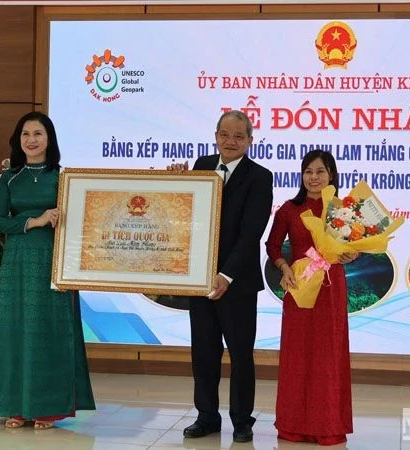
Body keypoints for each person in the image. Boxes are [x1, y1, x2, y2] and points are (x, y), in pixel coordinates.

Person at [0, 111, 95, 430]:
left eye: (38, 134)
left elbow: (82, 220)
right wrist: (35, 221)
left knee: (51, 329)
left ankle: (48, 407)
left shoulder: (64, 177)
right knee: (17, 328)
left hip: (56, 260)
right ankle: (15, 406)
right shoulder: (10, 178)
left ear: (50, 139)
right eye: (25, 135)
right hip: (19, 261)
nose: (31, 140)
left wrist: (60, 220)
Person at [174, 110, 273, 443]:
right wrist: (174, 183)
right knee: (203, 352)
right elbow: (186, 216)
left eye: (239, 136)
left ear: (250, 141)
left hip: (238, 283)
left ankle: (242, 420)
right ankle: (206, 416)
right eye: (225, 135)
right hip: (199, 279)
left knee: (241, 354)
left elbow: (251, 233)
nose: (230, 142)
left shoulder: (260, 177)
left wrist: (226, 274)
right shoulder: (201, 166)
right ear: (215, 135)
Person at [265, 149, 356, 445]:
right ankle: (293, 425)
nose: (314, 177)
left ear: (331, 175)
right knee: (297, 355)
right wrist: (284, 267)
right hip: (300, 288)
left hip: (331, 288)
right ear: (302, 175)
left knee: (328, 356)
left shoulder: (342, 209)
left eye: (320, 171)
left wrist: (351, 254)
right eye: (308, 171)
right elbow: (273, 246)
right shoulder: (290, 209)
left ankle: (328, 425)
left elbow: (354, 247)